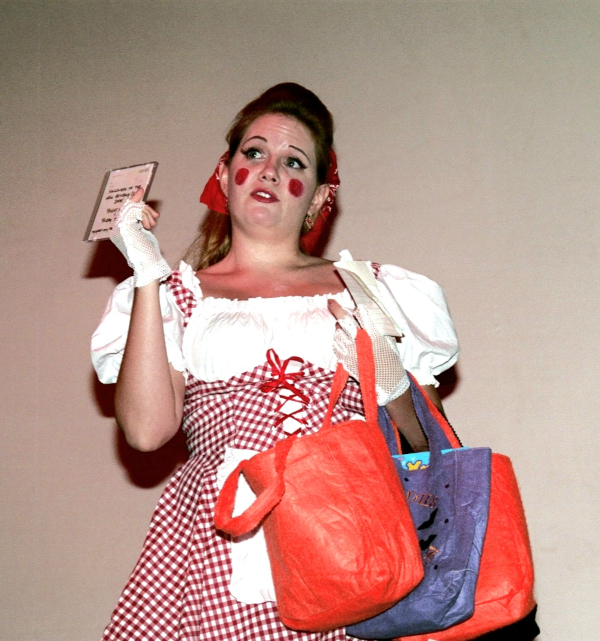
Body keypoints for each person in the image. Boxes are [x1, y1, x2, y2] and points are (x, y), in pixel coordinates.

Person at [91, 83, 460, 641]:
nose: (268, 170)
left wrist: (389, 385)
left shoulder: (372, 288)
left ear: (317, 197)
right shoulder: (178, 298)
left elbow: (434, 452)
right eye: (254, 152)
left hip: (352, 539)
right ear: (224, 175)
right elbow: (146, 433)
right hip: (219, 541)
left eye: (293, 162)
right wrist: (147, 277)